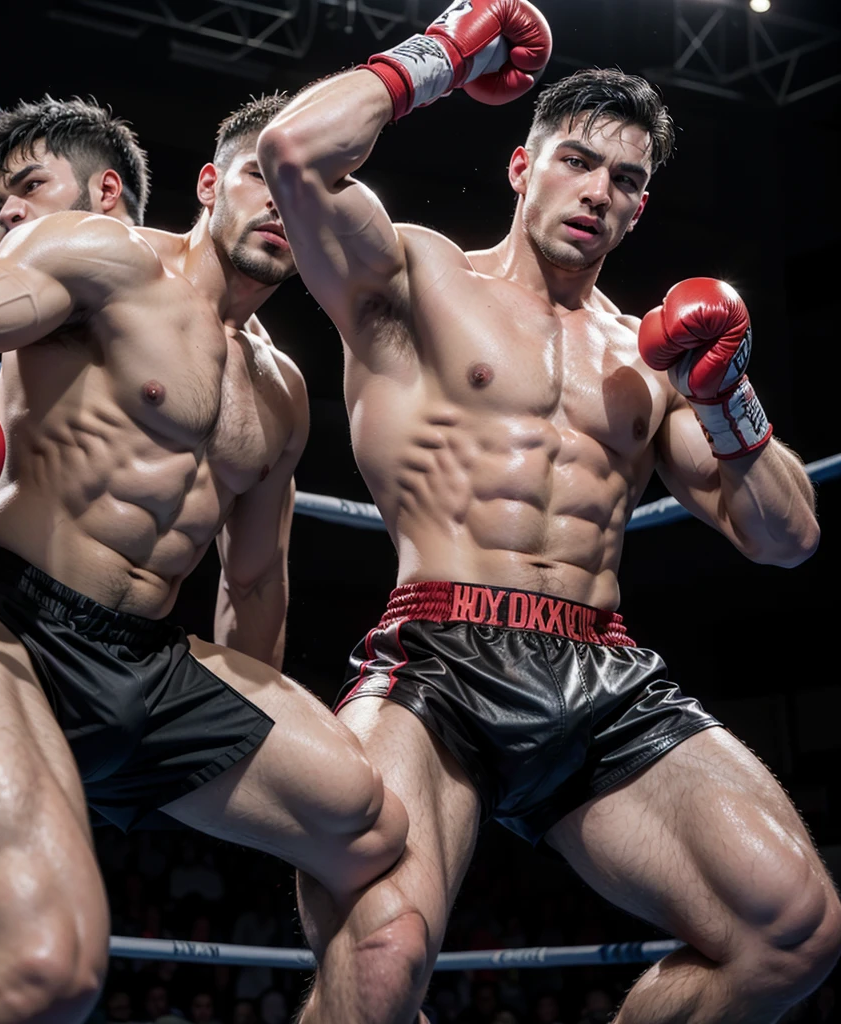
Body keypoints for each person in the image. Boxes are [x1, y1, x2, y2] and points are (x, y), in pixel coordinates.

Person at [256, 1, 841, 1021]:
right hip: (435, 654)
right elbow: (294, 152)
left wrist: (727, 396)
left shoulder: (647, 358)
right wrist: (440, 53)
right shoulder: (418, 274)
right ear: (524, 168)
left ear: (638, 210)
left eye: (623, 180)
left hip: (600, 670)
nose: (597, 191)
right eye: (576, 161)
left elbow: (787, 539)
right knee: (381, 962)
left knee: (794, 930)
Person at [0, 96, 406, 1022]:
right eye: (265, 175)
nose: (287, 204)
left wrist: (230, 757)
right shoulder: (110, 260)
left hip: (139, 660)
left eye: (316, 193)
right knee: (42, 970)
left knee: (371, 827)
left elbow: (253, 584)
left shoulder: (283, 392)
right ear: (211, 185)